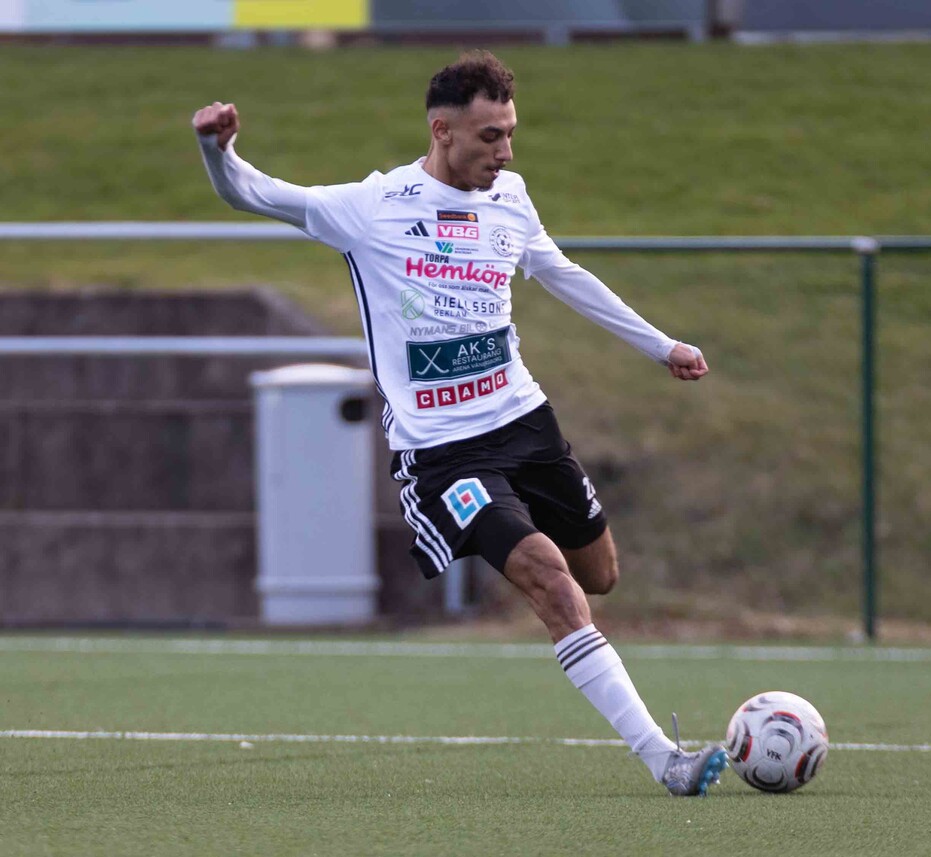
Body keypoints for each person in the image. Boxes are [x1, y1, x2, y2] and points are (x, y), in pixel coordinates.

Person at [192, 50, 724, 797]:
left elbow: (562, 272)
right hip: (444, 453)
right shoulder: (372, 208)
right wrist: (216, 150)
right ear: (442, 131)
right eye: (489, 137)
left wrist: (661, 345)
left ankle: (563, 603)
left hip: (526, 422)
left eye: (510, 134)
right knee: (551, 580)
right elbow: (252, 193)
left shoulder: (511, 197)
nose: (505, 152)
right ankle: (664, 758)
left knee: (599, 575)